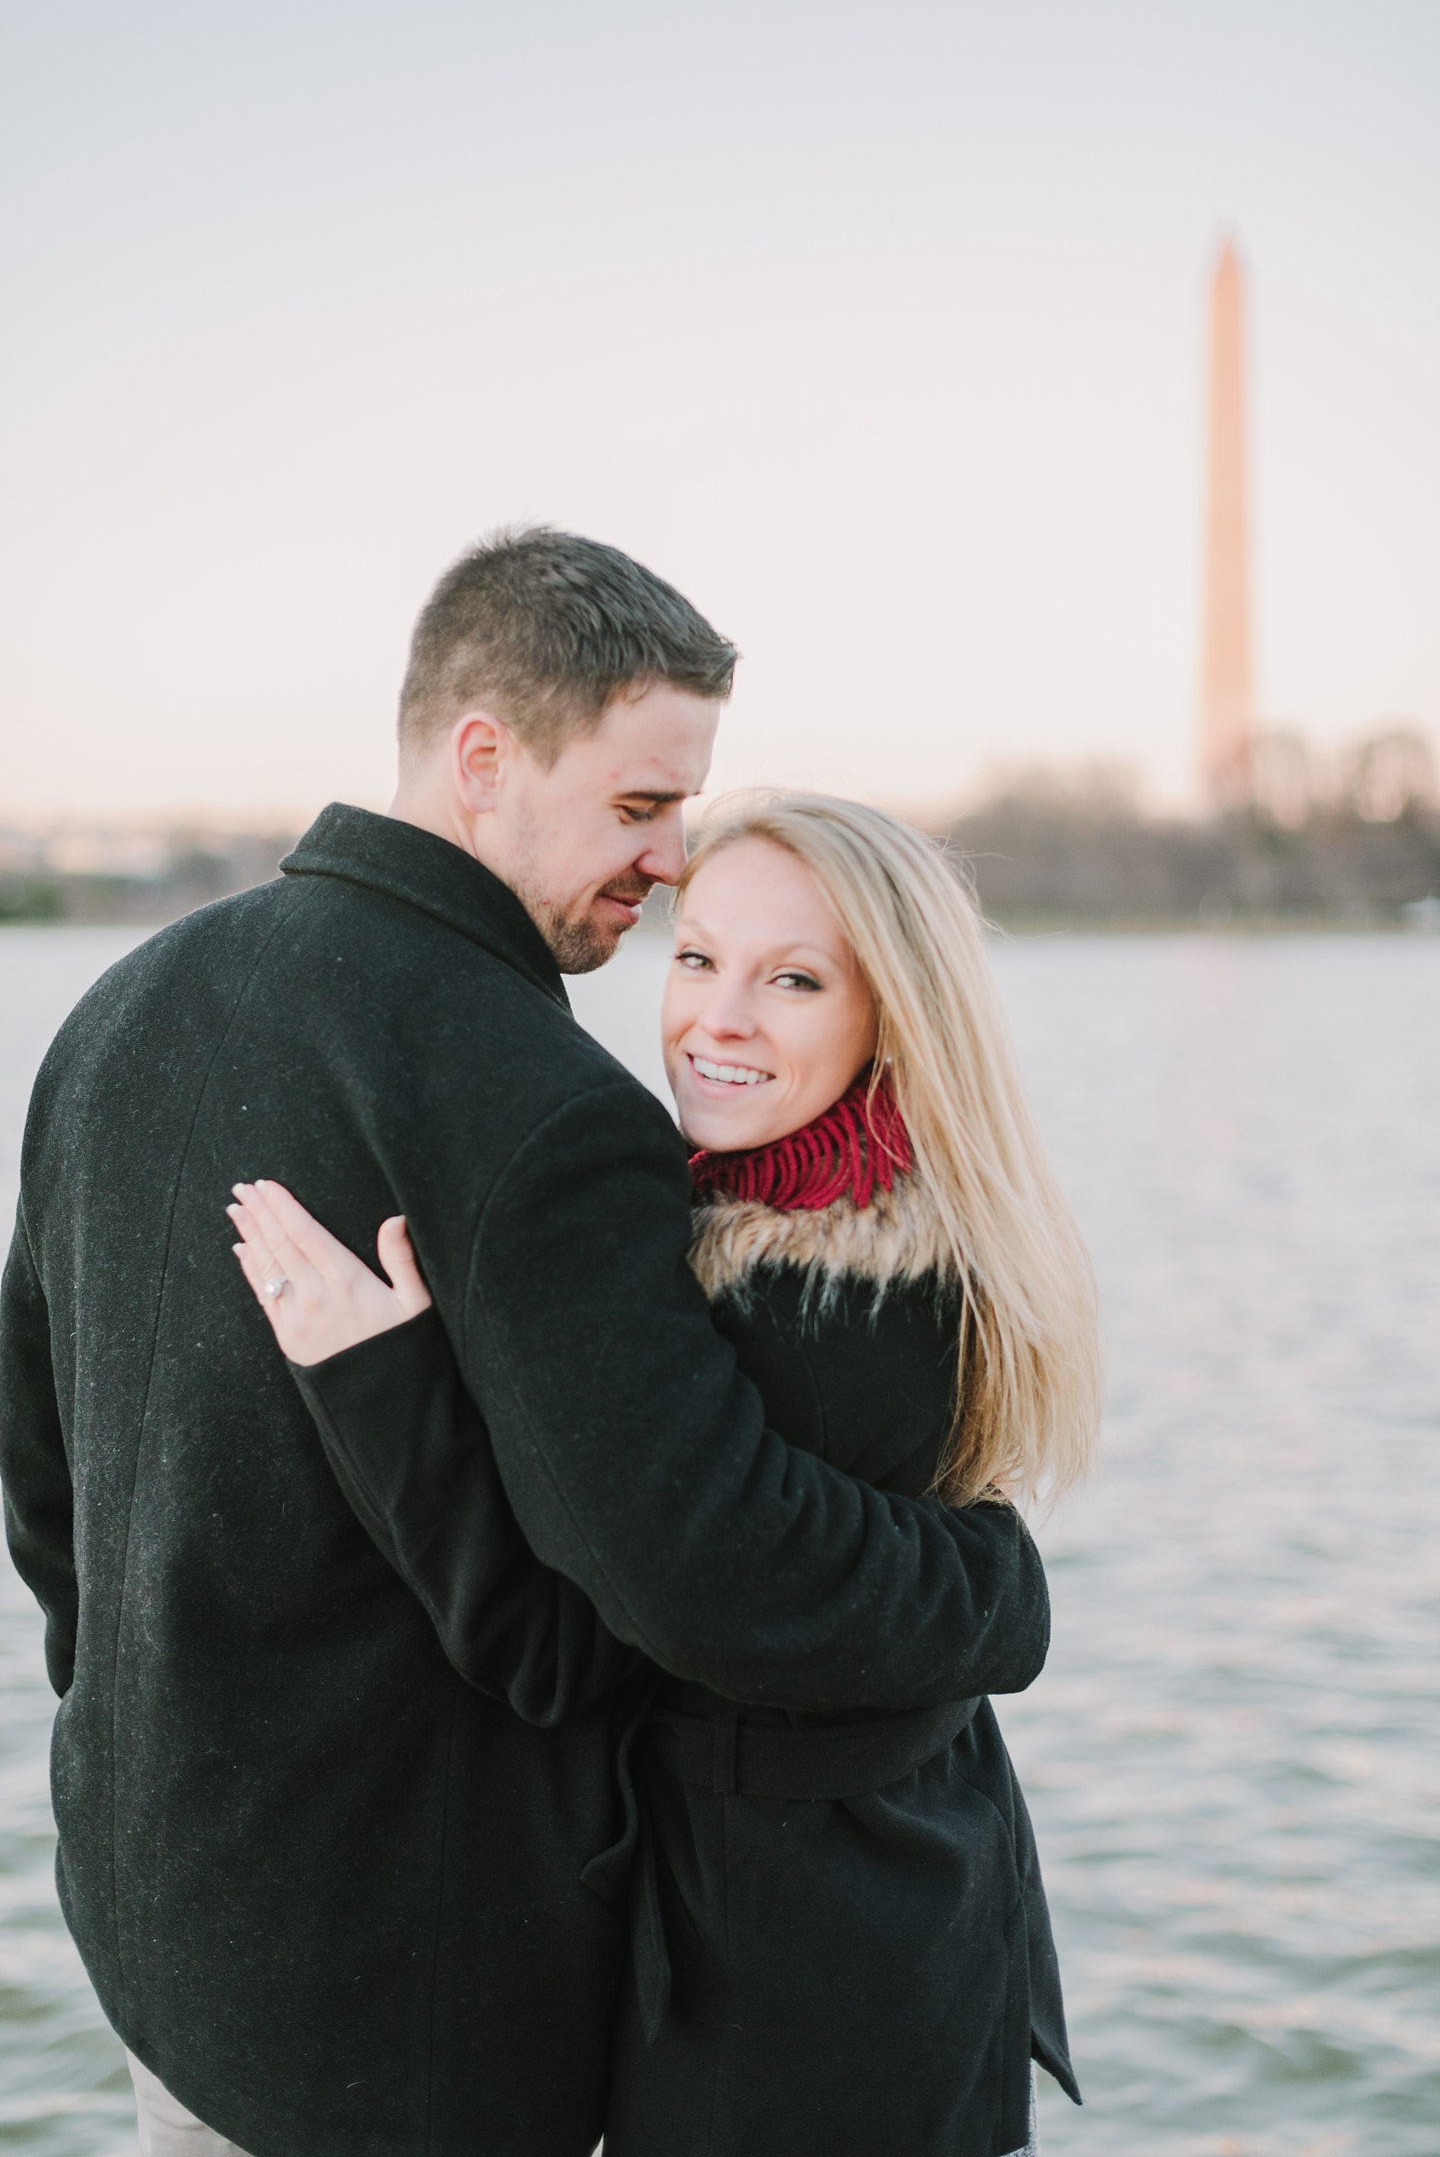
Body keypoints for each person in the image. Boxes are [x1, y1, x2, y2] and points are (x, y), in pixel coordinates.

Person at [0, 530, 1053, 2157]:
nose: (664, 862)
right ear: (484, 758)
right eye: (639, 809)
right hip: (399, 2007)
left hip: (156, 1924)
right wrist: (992, 1585)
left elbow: (42, 1479)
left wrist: (132, 1732)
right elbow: (690, 1578)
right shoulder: (543, 1106)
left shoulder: (120, 1005)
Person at [228, 792, 1103, 2156]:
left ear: (899, 1017)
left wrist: (379, 1378)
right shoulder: (891, 1225)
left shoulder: (814, 1313)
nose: (718, 1018)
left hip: (797, 1971)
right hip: (910, 1896)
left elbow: (560, 1652)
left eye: (795, 980)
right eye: (697, 957)